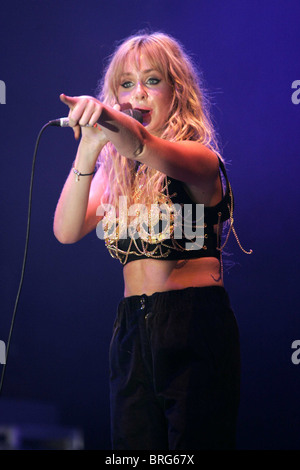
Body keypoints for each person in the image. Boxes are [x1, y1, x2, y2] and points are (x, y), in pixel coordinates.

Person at [53, 31, 251, 450]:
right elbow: (66, 231)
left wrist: (106, 116)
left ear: (176, 90)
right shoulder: (115, 173)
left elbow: (142, 143)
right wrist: (89, 150)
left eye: (152, 81)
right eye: (126, 84)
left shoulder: (199, 158)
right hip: (131, 329)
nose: (136, 94)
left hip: (191, 322)